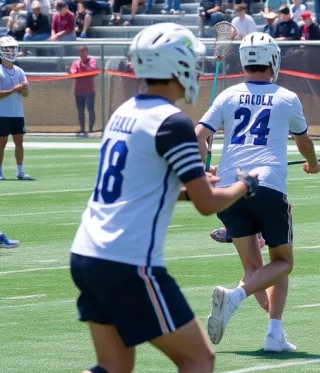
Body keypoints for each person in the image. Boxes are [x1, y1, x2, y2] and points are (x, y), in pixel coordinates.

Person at [70, 24, 261, 373]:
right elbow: (208, 205)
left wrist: (188, 187)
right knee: (198, 359)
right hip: (127, 260)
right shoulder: (173, 122)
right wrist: (244, 185)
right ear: (178, 66)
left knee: (113, 367)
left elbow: (143, 186)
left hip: (87, 252)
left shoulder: (124, 111)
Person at [198, 32, 320, 352]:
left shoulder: (227, 95)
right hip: (267, 187)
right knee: (283, 260)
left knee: (255, 267)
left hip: (229, 190)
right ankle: (235, 297)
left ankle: (274, 334)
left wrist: (200, 171)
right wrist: (313, 164)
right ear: (273, 60)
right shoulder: (287, 97)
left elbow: (199, 134)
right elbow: (304, 141)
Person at [0, 37, 31, 180]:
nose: (11, 51)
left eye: (13, 48)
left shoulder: (19, 71)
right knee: (2, 143)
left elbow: (26, 94)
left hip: (17, 113)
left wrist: (23, 89)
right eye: (8, 48)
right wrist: (14, 89)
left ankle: (20, 171)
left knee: (19, 142)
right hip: (2, 114)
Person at [70, 45, 97, 136]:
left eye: (84, 51)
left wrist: (83, 68)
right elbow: (73, 73)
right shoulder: (75, 63)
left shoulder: (92, 61)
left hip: (89, 90)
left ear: (87, 52)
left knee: (90, 109)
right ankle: (82, 128)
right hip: (78, 90)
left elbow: (92, 70)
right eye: (80, 52)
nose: (82, 53)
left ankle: (91, 128)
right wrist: (82, 70)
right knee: (80, 110)